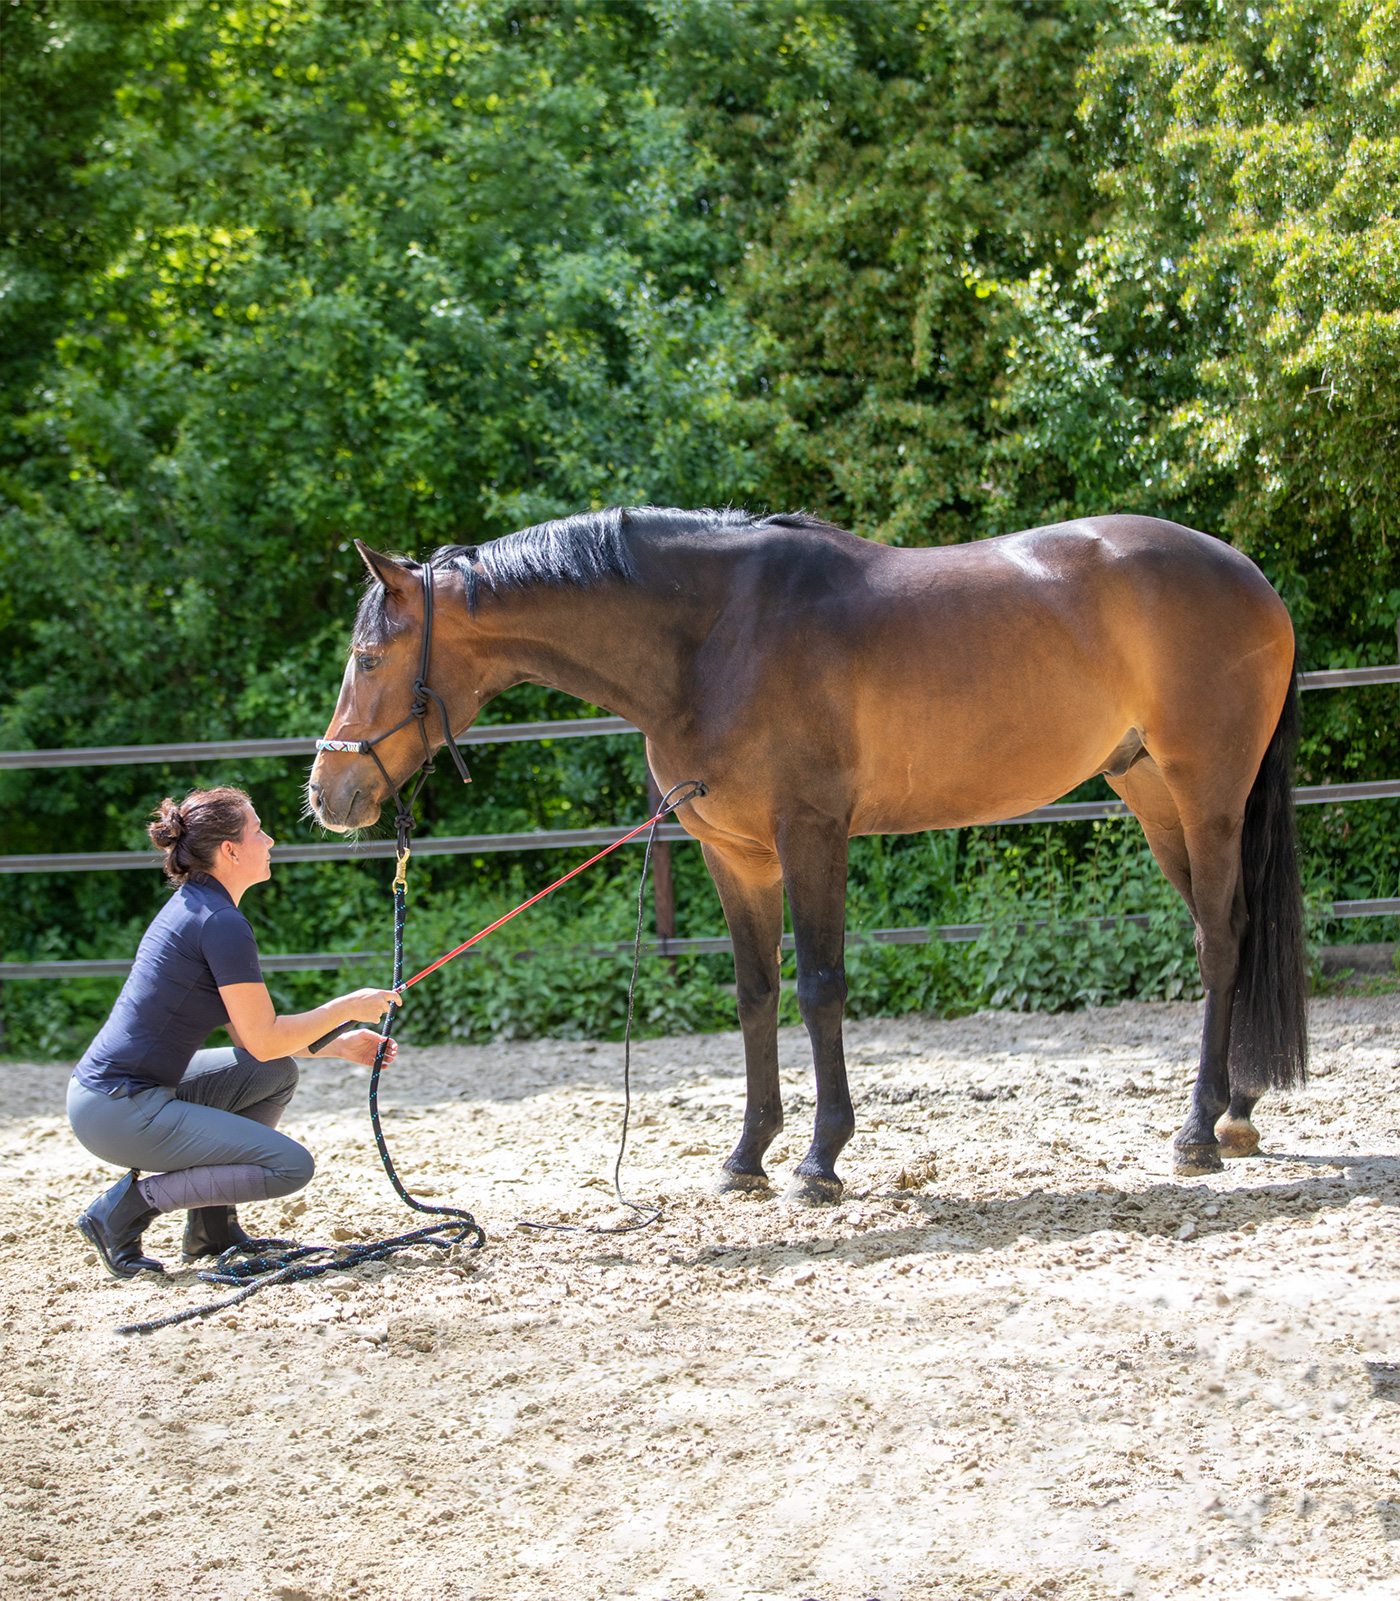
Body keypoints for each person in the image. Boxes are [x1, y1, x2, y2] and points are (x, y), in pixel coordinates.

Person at [68, 785, 402, 1278]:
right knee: (289, 1167)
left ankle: (212, 1233)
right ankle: (123, 1210)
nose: (270, 841)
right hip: (119, 1109)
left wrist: (339, 1046)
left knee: (273, 1074)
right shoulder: (221, 922)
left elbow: (254, 1041)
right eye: (258, 831)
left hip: (108, 1096)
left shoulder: (201, 906)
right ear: (230, 850)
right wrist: (345, 1007)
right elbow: (264, 1037)